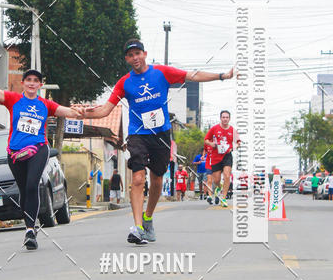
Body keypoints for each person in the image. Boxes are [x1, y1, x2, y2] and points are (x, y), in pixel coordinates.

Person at [73, 39, 234, 244]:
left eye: (137, 53)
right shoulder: (124, 83)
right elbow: (105, 110)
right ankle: (138, 227)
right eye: (130, 55)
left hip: (161, 134)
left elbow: (192, 75)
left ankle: (148, 218)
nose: (135, 58)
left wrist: (222, 76)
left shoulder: (161, 73)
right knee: (138, 179)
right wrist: (82, 114)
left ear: (145, 54)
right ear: (127, 59)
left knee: (157, 179)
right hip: (138, 135)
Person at [0, 60, 81, 250]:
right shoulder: (13, 100)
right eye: (28, 80)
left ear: (40, 85)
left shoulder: (46, 104)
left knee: (31, 185)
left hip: (38, 149)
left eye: (36, 80)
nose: (32, 83)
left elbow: (67, 111)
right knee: (22, 189)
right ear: (23, 83)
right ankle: (29, 225)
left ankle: (30, 229)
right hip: (15, 154)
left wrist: (82, 112)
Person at [204, 111, 241, 209]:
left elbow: (238, 142)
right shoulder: (214, 128)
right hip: (216, 157)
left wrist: (233, 147)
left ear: (229, 118)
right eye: (223, 117)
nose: (225, 119)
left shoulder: (233, 130)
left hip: (227, 155)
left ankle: (223, 198)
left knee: (227, 175)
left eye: (227, 117)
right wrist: (212, 144)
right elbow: (206, 140)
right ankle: (218, 187)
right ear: (220, 118)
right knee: (216, 180)